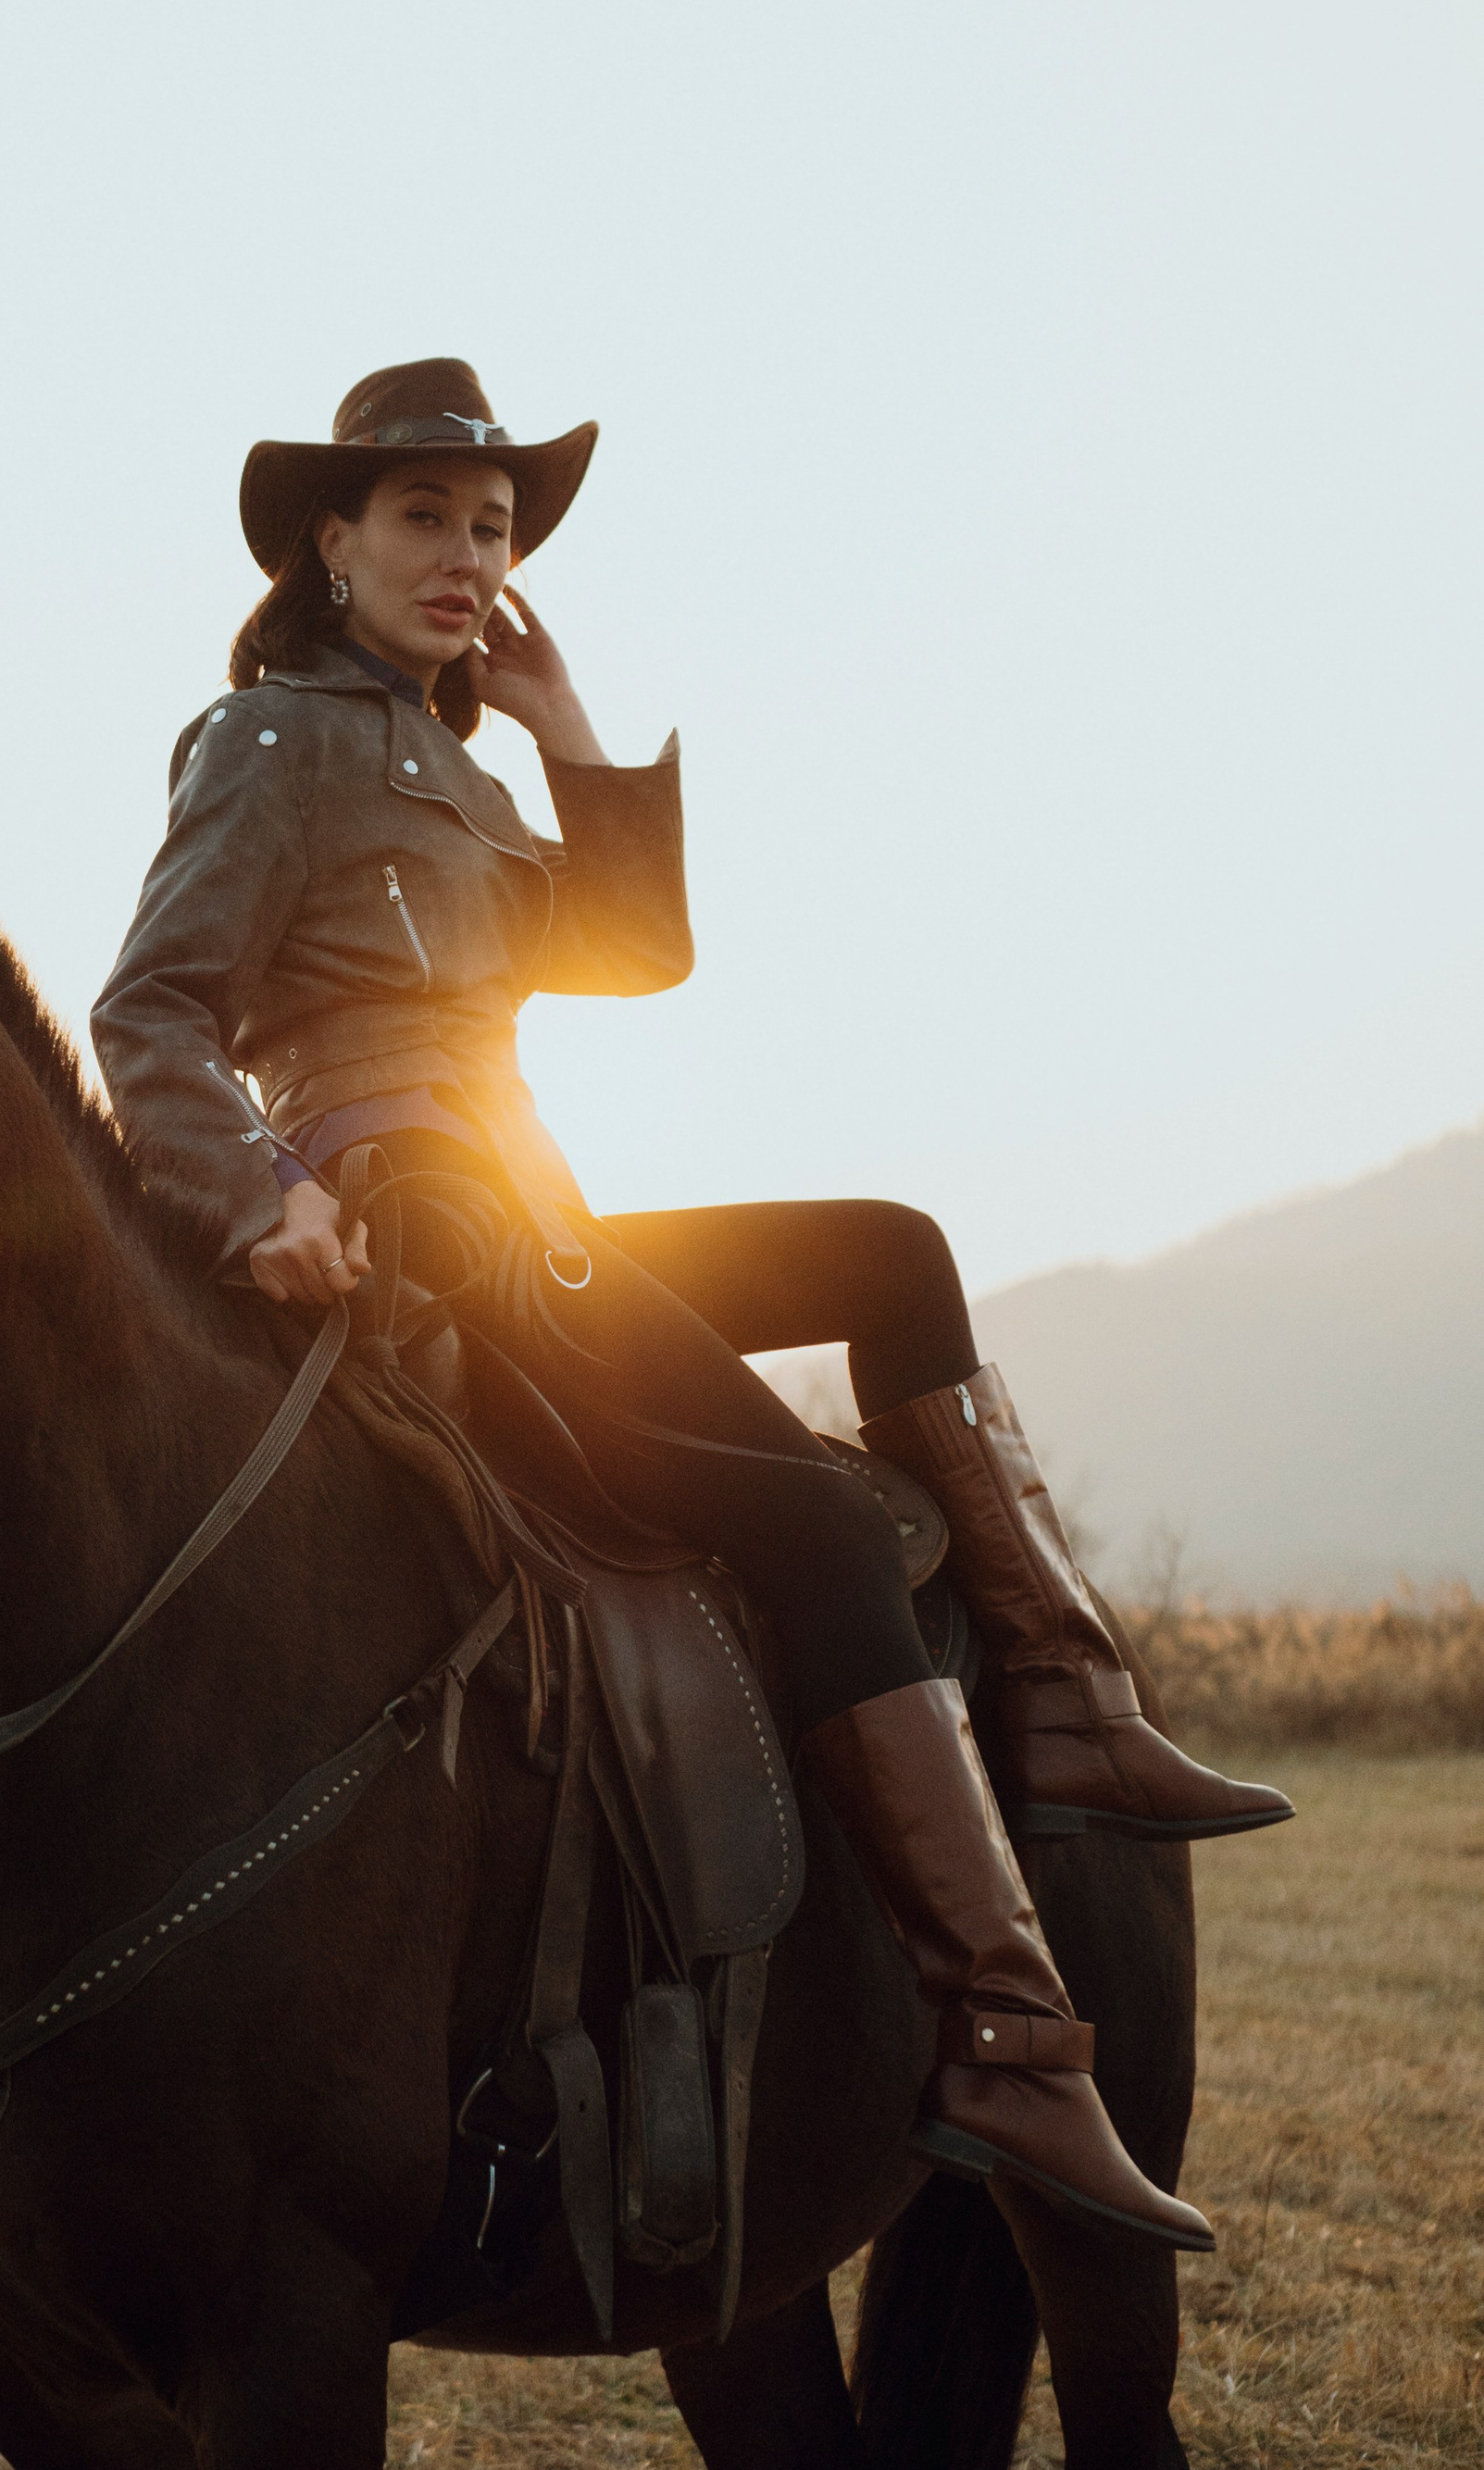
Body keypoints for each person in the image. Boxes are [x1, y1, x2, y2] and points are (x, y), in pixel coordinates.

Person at [93, 357, 1289, 2252]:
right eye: (423, 518)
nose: (465, 555)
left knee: (884, 1253)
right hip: (425, 1226)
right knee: (808, 1521)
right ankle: (1003, 2032)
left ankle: (1058, 1694)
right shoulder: (270, 741)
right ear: (330, 544)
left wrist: (566, 727)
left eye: (490, 527)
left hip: (533, 1206)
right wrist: (251, 1196)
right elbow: (148, 1007)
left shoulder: (458, 770)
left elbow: (637, 949)